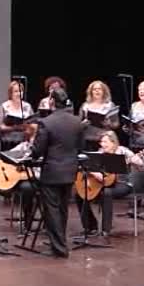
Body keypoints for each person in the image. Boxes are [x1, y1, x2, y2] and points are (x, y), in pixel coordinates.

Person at [30, 87, 84, 258]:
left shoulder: (46, 122)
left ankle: (59, 248)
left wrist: (32, 151)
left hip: (52, 172)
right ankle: (60, 243)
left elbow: (38, 150)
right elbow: (80, 147)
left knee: (52, 210)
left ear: (52, 101)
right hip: (70, 171)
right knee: (63, 208)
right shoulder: (77, 121)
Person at [74, 131, 144, 239]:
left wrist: (139, 162)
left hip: (122, 184)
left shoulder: (123, 151)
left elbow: (142, 167)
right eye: (101, 142)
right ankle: (90, 227)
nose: (102, 144)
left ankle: (106, 230)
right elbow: (86, 167)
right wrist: (95, 173)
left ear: (113, 142)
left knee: (106, 193)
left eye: (105, 142)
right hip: (104, 184)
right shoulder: (99, 153)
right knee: (80, 194)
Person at [3, 123, 40, 232]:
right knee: (26, 188)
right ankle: (28, 223)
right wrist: (17, 163)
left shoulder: (44, 147)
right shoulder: (23, 146)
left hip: (41, 178)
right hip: (26, 179)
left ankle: (47, 223)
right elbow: (7, 157)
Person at [78, 80, 120, 151]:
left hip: (103, 140)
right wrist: (83, 124)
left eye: (99, 89)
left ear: (104, 91)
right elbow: (78, 123)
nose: (97, 91)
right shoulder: (85, 105)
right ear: (91, 92)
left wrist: (109, 124)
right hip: (88, 139)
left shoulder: (109, 105)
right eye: (94, 89)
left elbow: (116, 124)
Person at [0, 81, 34, 151]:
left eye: (21, 91)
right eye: (16, 91)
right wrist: (14, 128)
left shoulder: (27, 106)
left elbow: (33, 124)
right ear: (11, 93)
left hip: (23, 142)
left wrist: (28, 128)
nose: (19, 93)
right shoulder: (4, 106)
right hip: (7, 142)